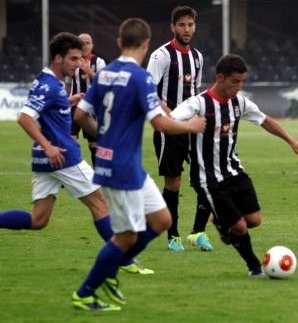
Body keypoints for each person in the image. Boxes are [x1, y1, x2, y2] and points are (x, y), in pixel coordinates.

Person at [0, 32, 151, 275]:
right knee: (100, 203)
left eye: (79, 58)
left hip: (43, 158)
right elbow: (25, 118)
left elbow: (47, 110)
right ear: (58, 59)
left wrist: (68, 102)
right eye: (73, 59)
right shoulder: (50, 85)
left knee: (38, 220)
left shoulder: (52, 83)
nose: (78, 64)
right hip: (61, 155)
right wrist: (49, 146)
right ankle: (124, 261)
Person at [72, 18, 206, 311]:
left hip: (125, 164)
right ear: (145, 44)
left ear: (119, 43)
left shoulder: (105, 74)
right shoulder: (140, 77)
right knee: (126, 238)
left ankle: (108, 270)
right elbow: (159, 123)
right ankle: (87, 290)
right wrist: (191, 126)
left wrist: (104, 136)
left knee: (161, 220)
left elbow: (81, 116)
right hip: (121, 168)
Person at [170, 54, 298, 277]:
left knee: (254, 220)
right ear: (220, 77)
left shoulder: (239, 102)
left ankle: (220, 221)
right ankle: (254, 268)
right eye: (235, 82)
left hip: (234, 171)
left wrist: (291, 140)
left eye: (242, 82)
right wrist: (188, 125)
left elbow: (264, 120)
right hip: (208, 179)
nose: (239, 87)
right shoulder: (198, 103)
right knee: (240, 227)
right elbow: (171, 120)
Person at [146, 5, 213, 252]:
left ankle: (198, 232)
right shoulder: (161, 55)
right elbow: (148, 91)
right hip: (168, 129)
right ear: (173, 27)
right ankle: (172, 236)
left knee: (206, 177)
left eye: (190, 25)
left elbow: (194, 93)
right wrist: (173, 118)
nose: (187, 29)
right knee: (173, 181)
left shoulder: (197, 57)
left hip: (191, 127)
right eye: (182, 25)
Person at [69, 33, 107, 165]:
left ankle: (98, 178)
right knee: (69, 140)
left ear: (92, 45)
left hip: (92, 109)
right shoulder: (71, 61)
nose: (84, 46)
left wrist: (89, 72)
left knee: (94, 144)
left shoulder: (99, 62)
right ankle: (67, 174)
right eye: (81, 43)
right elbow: (68, 83)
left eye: (87, 43)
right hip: (74, 107)